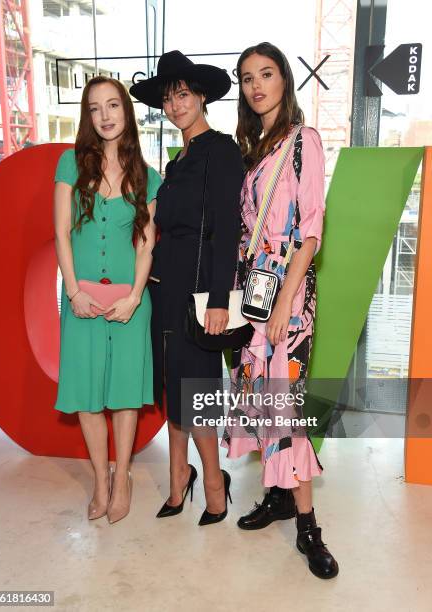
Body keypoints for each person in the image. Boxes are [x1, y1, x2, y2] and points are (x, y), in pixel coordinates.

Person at [222, 42, 339, 578]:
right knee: (261, 400)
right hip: (257, 297)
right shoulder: (255, 151)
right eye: (247, 78)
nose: (256, 85)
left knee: (286, 408)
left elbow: (310, 232)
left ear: (284, 81)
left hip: (288, 300)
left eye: (265, 74)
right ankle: (277, 496)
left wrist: (285, 304)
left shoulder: (303, 142)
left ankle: (308, 527)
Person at [131, 51, 244, 525]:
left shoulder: (220, 150)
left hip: (198, 296)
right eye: (167, 98)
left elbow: (227, 230)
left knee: (195, 392)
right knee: (174, 389)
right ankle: (180, 479)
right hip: (164, 292)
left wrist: (219, 300)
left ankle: (214, 484)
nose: (175, 105)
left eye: (182, 94)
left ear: (200, 97)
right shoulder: (177, 163)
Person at [54, 76, 162, 524]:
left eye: (113, 105)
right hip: (82, 302)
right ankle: (101, 479)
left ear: (126, 111)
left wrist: (135, 297)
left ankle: (123, 480)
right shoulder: (69, 164)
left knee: (122, 398)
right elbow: (60, 232)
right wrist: (74, 291)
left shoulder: (148, 176)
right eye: (95, 108)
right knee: (87, 398)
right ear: (87, 116)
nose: (105, 115)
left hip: (127, 304)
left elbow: (146, 244)